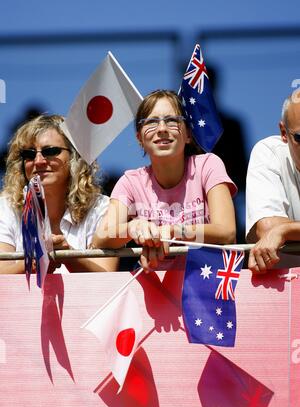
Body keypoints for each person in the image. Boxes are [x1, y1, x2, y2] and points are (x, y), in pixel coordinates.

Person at [92, 89, 237, 272]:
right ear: (140, 139)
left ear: (188, 134)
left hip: (206, 286)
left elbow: (227, 231)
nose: (162, 129)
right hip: (153, 286)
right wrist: (133, 227)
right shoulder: (130, 181)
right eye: (151, 122)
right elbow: (101, 237)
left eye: (172, 121)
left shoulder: (209, 165)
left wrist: (172, 231)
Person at [0, 114, 118, 274]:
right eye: (29, 154)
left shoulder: (102, 207)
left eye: (50, 151)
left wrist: (67, 255)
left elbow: (108, 276)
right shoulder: (6, 206)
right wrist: (37, 261)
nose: (39, 161)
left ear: (74, 157)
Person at [246, 89, 300, 273]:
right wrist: (277, 230)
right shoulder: (269, 152)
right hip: (286, 289)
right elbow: (267, 227)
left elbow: (275, 230)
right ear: (284, 132)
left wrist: (283, 231)